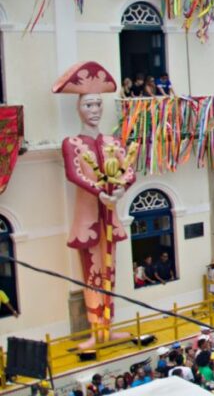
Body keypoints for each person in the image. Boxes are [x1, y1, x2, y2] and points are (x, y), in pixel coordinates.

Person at [54, 61, 136, 349]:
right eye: (89, 105)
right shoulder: (72, 143)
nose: (95, 110)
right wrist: (100, 191)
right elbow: (73, 174)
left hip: (109, 213)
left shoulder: (113, 141)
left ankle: (109, 326)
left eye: (98, 104)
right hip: (89, 216)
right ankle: (94, 328)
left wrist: (120, 190)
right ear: (79, 108)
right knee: (92, 271)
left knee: (110, 271)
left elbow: (129, 170)